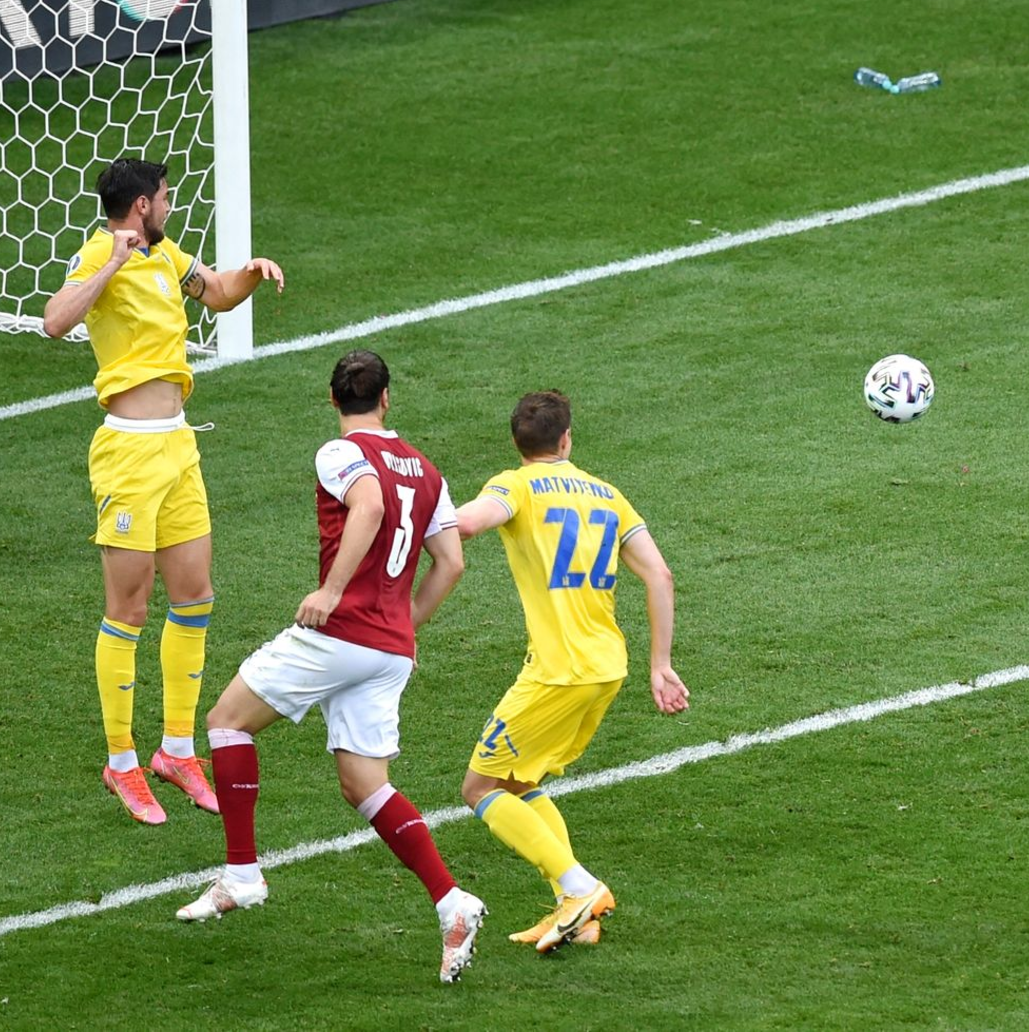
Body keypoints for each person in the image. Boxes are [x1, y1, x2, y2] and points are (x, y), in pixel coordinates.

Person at [176, 349, 487, 985]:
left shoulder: (340, 453)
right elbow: (451, 563)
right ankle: (454, 903)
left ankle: (242, 875)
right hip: (387, 648)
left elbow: (368, 508)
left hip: (339, 634)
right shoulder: (427, 470)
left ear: (332, 399)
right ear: (387, 399)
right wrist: (400, 626)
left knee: (227, 721)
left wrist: (332, 591)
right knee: (365, 786)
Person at [42, 158, 285, 825]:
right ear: (141, 205)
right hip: (127, 451)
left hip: (179, 445)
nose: (171, 203)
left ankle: (176, 749)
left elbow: (217, 292)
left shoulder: (168, 253)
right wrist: (111, 265)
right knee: (129, 607)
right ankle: (120, 761)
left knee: (194, 594)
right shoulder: (101, 251)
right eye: (166, 197)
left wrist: (252, 273)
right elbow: (54, 320)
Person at [455, 389, 688, 953]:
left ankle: (581, 888)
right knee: (521, 780)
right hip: (609, 665)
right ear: (566, 440)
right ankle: (575, 913)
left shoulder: (514, 484)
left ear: (517, 443)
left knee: (479, 787)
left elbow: (465, 525)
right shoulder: (608, 495)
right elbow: (659, 575)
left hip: (558, 672)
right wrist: (661, 665)